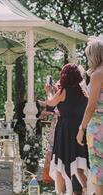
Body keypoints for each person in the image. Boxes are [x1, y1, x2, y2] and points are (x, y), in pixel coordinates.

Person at [46, 64, 89, 194]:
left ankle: (61, 192)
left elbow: (50, 103)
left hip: (65, 131)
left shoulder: (63, 91)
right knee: (79, 166)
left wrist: (49, 91)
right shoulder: (83, 92)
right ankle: (87, 190)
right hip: (80, 131)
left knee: (61, 165)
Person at [77, 36, 103, 195]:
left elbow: (91, 106)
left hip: (98, 127)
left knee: (98, 167)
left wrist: (82, 128)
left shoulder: (97, 74)